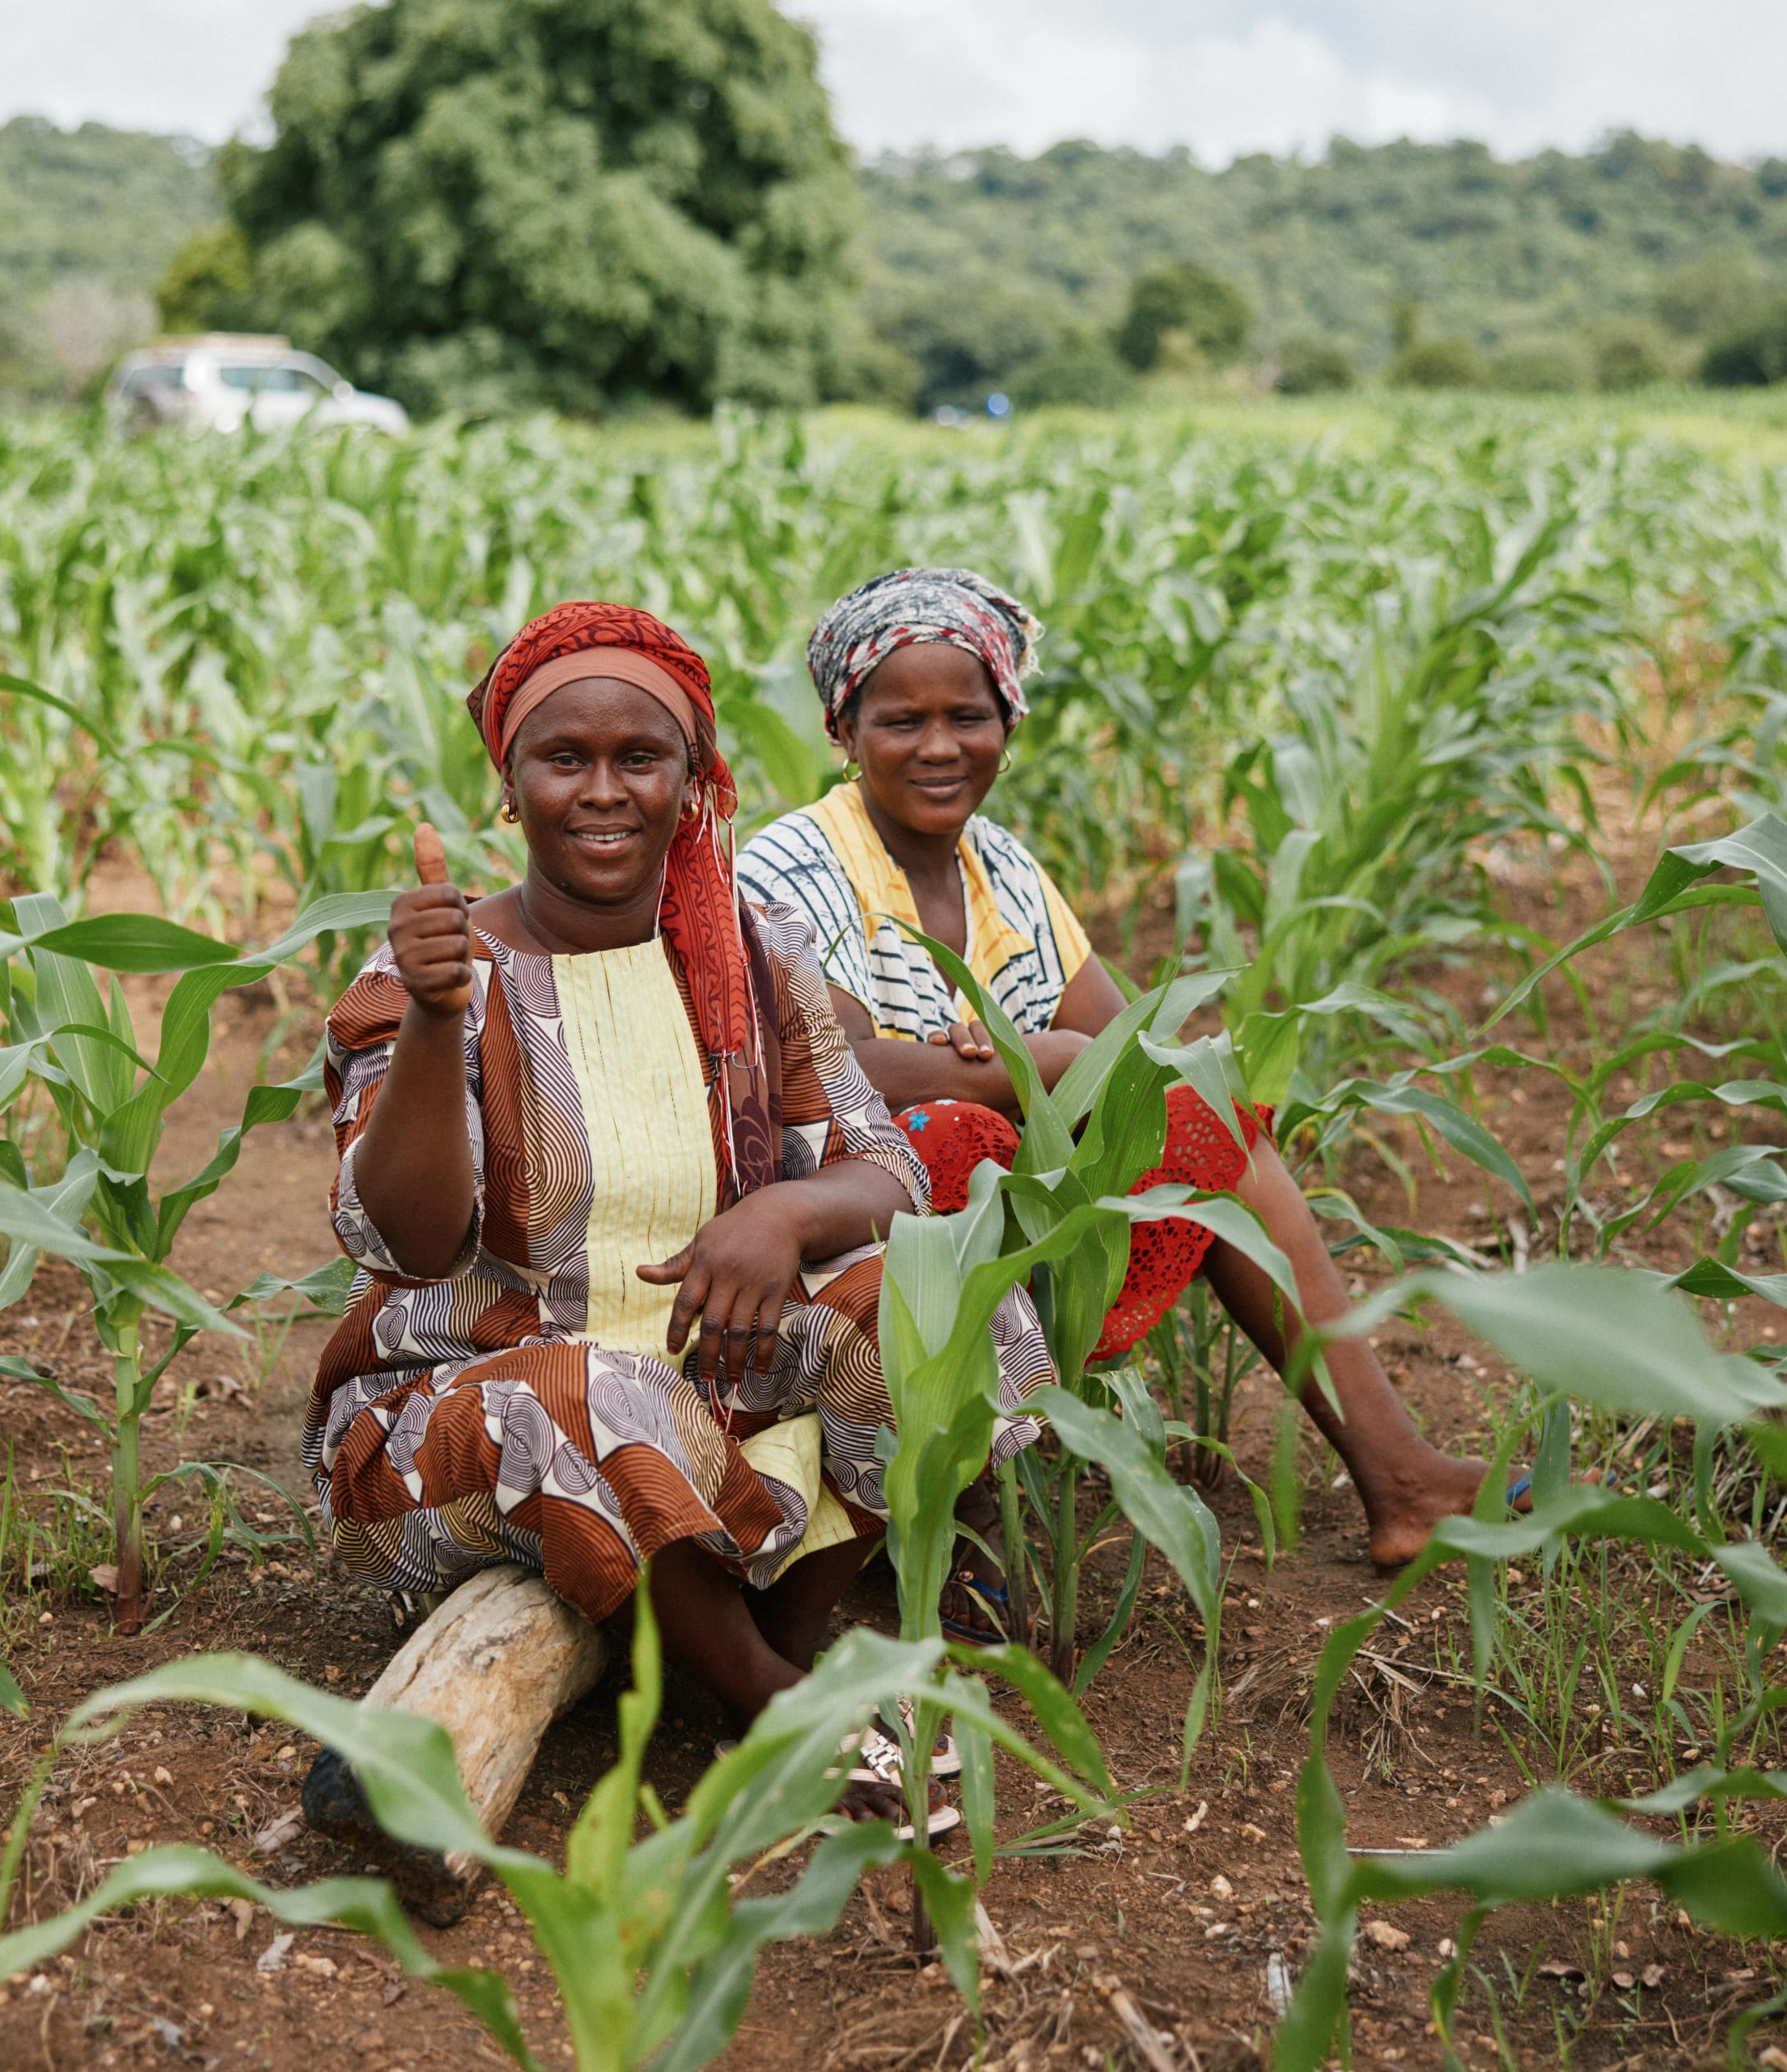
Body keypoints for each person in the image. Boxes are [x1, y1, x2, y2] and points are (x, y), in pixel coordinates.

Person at [303, 599, 1049, 1811]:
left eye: (639, 759)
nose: (603, 790)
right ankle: (769, 1699)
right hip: (468, 1431)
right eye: (565, 759)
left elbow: (886, 1167)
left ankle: (774, 1636)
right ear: (511, 786)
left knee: (948, 1289)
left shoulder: (753, 952)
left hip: (712, 1389)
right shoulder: (431, 979)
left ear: (692, 784)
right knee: (589, 1388)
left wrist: (783, 1222)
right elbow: (405, 1239)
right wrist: (441, 1026)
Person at [738, 567, 1495, 1569]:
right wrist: (1036, 1060)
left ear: (1007, 720)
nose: (938, 746)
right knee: (954, 1138)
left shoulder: (1002, 867)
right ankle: (944, 1539)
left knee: (1209, 1121)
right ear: (845, 728)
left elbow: (1135, 1046)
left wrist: (1047, 1061)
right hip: (818, 1220)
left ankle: (1401, 1477)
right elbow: (837, 1081)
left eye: (967, 715)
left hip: (982, 1205)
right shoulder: (793, 864)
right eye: (899, 719)